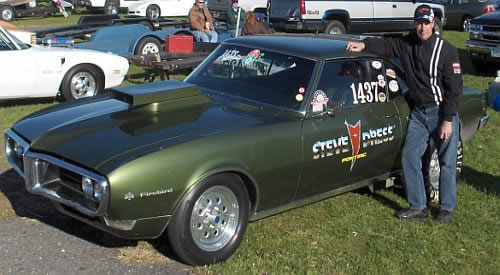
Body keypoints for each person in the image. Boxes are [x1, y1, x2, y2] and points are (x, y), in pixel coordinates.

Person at [346, 4, 463, 224]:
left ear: (433, 23)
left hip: (441, 112)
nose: (422, 27)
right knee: (410, 156)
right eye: (418, 23)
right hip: (419, 112)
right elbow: (386, 45)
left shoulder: (446, 50)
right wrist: (363, 44)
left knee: (447, 162)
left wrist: (448, 120)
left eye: (426, 23)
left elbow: (455, 89)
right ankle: (419, 207)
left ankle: (446, 209)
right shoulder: (407, 44)